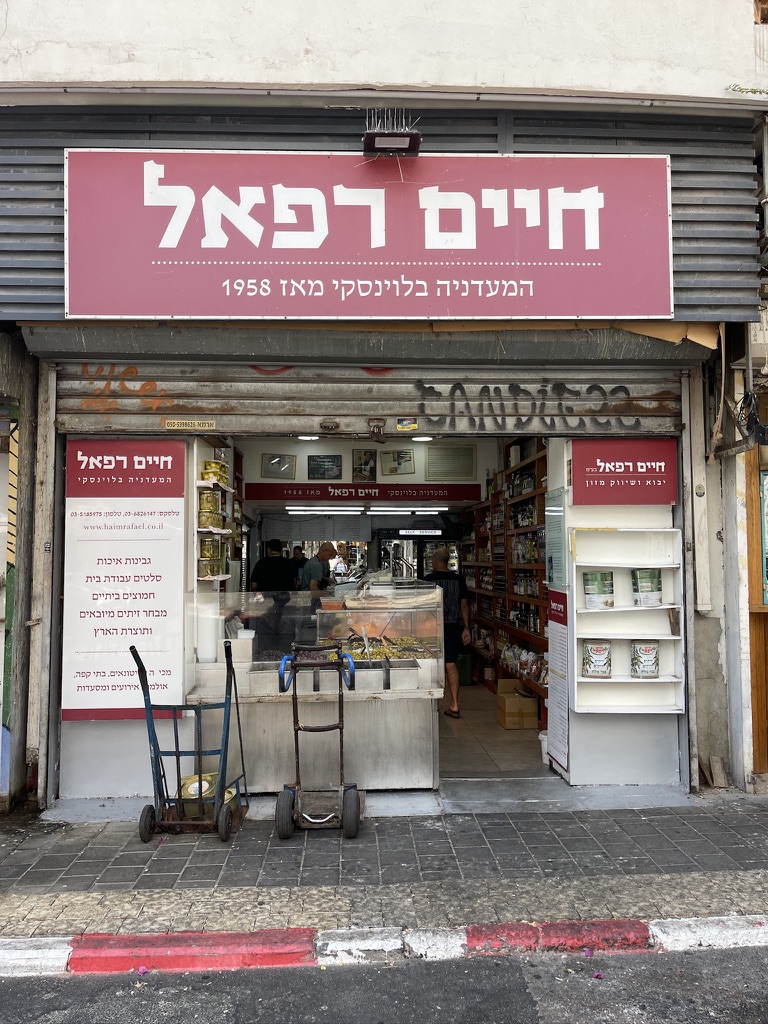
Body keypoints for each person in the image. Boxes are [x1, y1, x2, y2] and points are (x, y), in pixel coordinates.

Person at [423, 546, 471, 719]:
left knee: (430, 664)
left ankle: (429, 705)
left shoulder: (428, 580)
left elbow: (423, 606)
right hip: (452, 626)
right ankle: (455, 705)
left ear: (435, 561)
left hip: (432, 626)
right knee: (450, 664)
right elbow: (464, 606)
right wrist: (466, 628)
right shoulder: (459, 580)